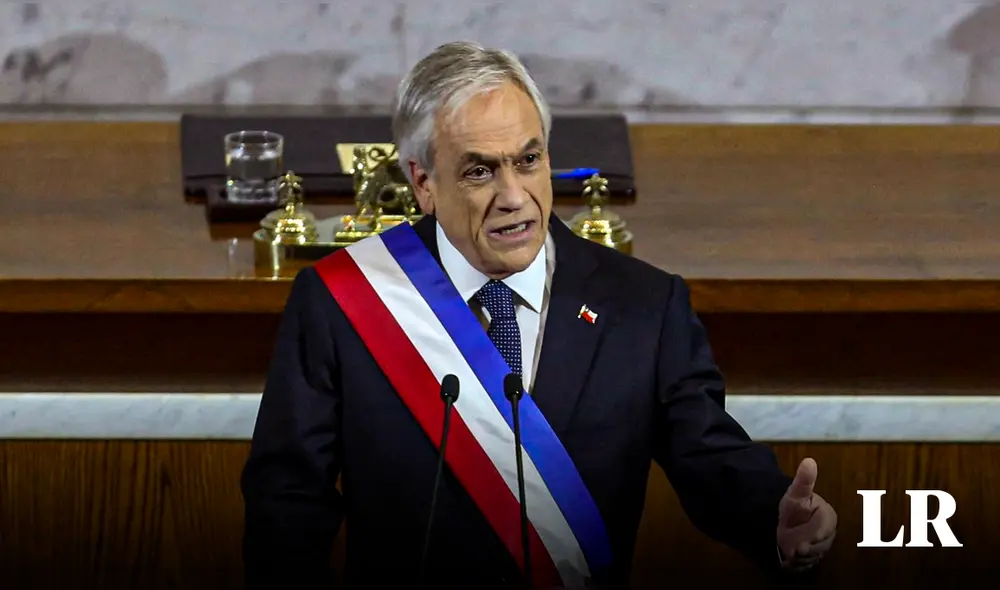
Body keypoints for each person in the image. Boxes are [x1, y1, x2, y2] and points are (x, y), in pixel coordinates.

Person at [241, 41, 838, 589]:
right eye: (480, 170)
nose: (513, 196)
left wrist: (774, 517)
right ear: (423, 183)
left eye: (527, 160)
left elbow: (710, 457)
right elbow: (287, 504)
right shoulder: (343, 301)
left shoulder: (643, 307)